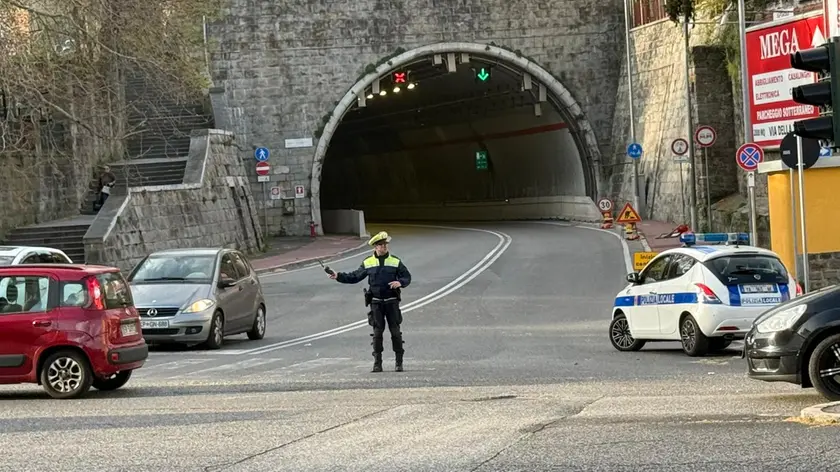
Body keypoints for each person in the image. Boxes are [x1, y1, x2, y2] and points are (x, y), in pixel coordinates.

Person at [329, 231, 411, 372]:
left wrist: (400, 282)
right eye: (380, 245)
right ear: (375, 247)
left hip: (391, 301)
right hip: (376, 302)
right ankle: (377, 363)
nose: (384, 247)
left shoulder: (395, 261)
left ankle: (399, 362)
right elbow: (355, 276)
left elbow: (407, 276)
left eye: (385, 244)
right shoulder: (368, 262)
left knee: (395, 332)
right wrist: (338, 276)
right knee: (377, 334)